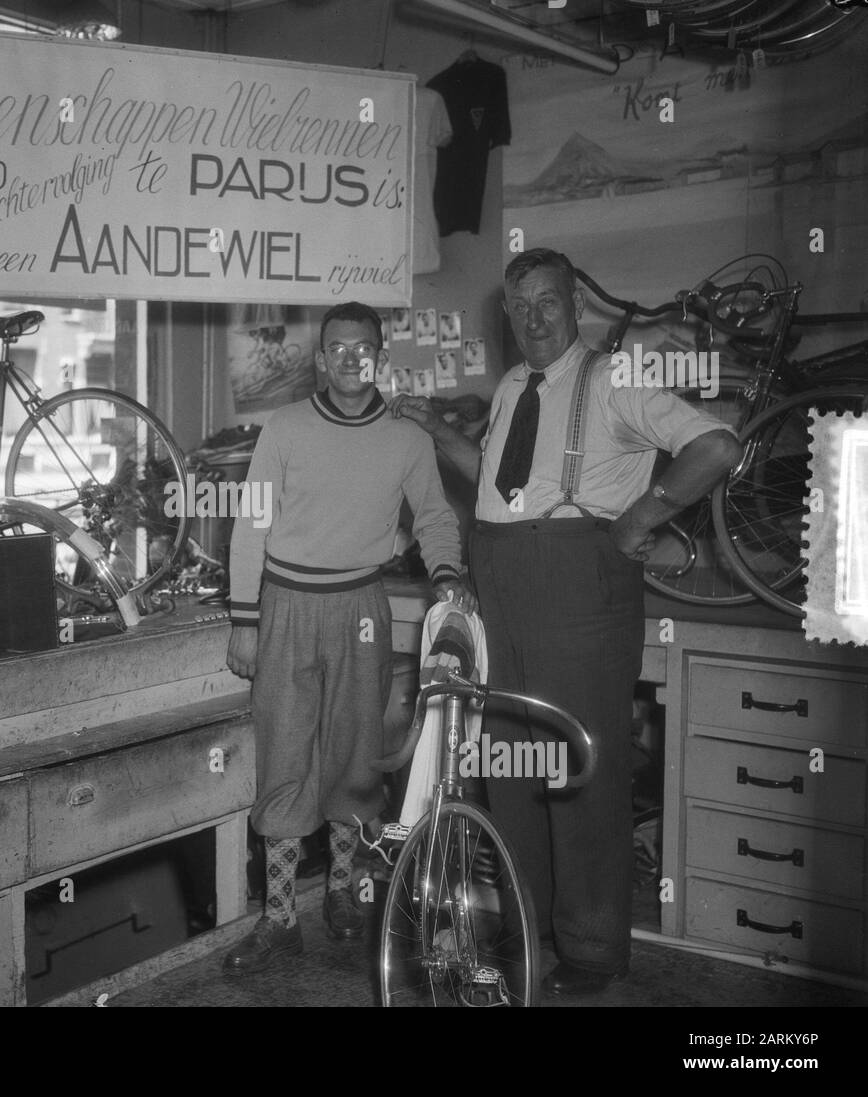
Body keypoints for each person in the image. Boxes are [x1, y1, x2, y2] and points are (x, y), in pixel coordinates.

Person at [392, 248, 741, 996]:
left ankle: (589, 949)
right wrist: (428, 427)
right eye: (519, 307)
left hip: (581, 592)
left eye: (547, 302)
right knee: (512, 769)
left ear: (576, 304)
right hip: (504, 587)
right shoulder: (515, 384)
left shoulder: (618, 377)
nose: (533, 319)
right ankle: (529, 931)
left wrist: (643, 515)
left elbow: (716, 445)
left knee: (580, 768)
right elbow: (498, 479)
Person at [223, 301, 472, 974]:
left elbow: (434, 517)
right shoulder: (284, 426)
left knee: (358, 757)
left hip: (362, 603)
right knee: (285, 751)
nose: (349, 358)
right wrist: (245, 619)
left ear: (379, 357)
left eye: (363, 347)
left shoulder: (407, 438)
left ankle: (344, 894)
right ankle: (278, 917)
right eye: (337, 347)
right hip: (287, 606)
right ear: (321, 356)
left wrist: (448, 577)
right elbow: (250, 527)